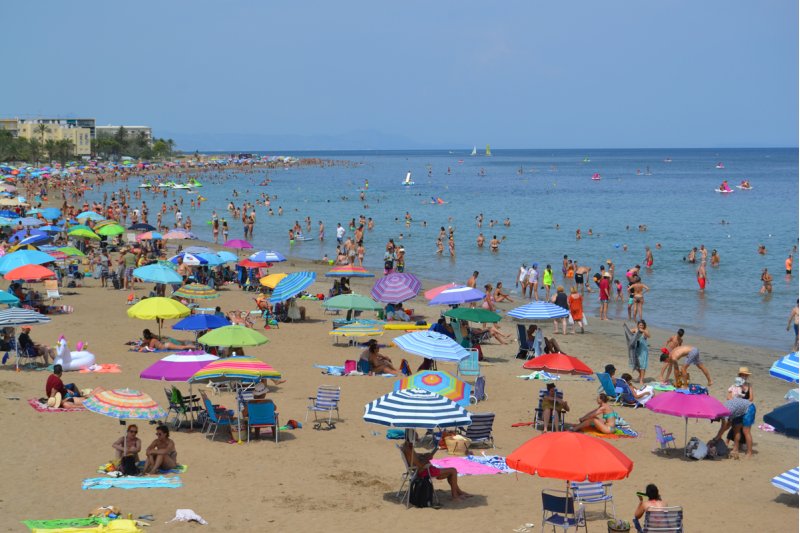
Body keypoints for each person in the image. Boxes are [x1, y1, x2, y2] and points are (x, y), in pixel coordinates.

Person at [401, 437, 470, 501]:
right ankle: (455, 496)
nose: (417, 437)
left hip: (422, 469)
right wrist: (427, 458)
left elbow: (416, 459)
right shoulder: (409, 450)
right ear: (411, 436)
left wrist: (424, 455)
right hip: (424, 471)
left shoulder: (406, 447)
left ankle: (459, 492)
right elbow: (420, 467)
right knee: (453, 471)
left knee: (450, 471)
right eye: (415, 435)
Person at [628, 320, 650, 385]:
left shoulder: (645, 331)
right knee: (635, 364)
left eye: (642, 325)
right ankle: (640, 374)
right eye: (640, 325)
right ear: (638, 325)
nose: (641, 326)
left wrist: (643, 331)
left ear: (644, 326)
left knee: (642, 366)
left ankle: (641, 380)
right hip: (636, 350)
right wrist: (635, 331)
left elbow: (649, 336)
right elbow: (629, 331)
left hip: (643, 351)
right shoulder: (636, 330)